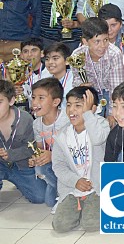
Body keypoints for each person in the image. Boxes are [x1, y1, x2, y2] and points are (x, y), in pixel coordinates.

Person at [51, 86, 110, 232]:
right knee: (60, 226)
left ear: (93, 108)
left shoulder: (101, 124)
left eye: (78, 105)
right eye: (69, 105)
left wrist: (89, 114)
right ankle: (80, 204)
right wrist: (75, 181)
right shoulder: (62, 134)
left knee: (91, 225)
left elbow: (97, 139)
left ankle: (93, 204)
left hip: (97, 187)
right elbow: (58, 165)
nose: (71, 110)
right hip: (72, 188)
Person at [70, 17, 124, 123]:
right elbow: (76, 79)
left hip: (112, 94)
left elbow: (117, 88)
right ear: (85, 41)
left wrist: (112, 113)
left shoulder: (114, 54)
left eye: (105, 40)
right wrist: (81, 86)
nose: (102, 46)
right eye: (97, 41)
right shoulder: (77, 55)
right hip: (91, 95)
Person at [0, 80, 46, 204]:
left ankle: (19, 181)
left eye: (0, 102)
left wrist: (11, 154)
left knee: (40, 197)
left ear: (11, 101)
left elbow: (32, 147)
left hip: (22, 165)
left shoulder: (25, 119)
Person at [30, 78, 68, 209]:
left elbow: (72, 152)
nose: (34, 102)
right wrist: (36, 158)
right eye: (33, 97)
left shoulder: (66, 121)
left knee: (51, 201)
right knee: (49, 201)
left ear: (56, 102)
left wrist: (52, 155)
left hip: (69, 165)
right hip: (52, 165)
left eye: (41, 98)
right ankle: (63, 192)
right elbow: (40, 148)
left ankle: (67, 192)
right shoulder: (36, 123)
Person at [40, 42, 74, 110]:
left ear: (67, 61)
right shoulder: (44, 79)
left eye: (55, 58)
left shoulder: (75, 79)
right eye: (47, 59)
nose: (50, 62)